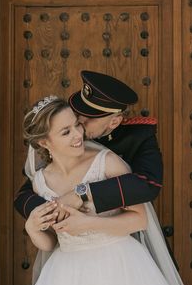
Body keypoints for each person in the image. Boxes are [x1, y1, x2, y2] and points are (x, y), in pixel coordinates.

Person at [0, 96, 192, 285]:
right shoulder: (41, 182)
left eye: (77, 125)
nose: (78, 134)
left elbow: (139, 220)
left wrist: (89, 223)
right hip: (65, 275)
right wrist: (32, 228)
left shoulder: (105, 162)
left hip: (119, 265)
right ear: (44, 143)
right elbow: (51, 244)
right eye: (66, 132)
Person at [13, 70, 163, 224]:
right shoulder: (70, 132)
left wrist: (82, 194)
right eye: (79, 112)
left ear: (114, 122)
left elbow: (148, 185)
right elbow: (26, 192)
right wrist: (52, 213)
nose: (80, 121)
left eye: (90, 118)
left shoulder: (139, 136)